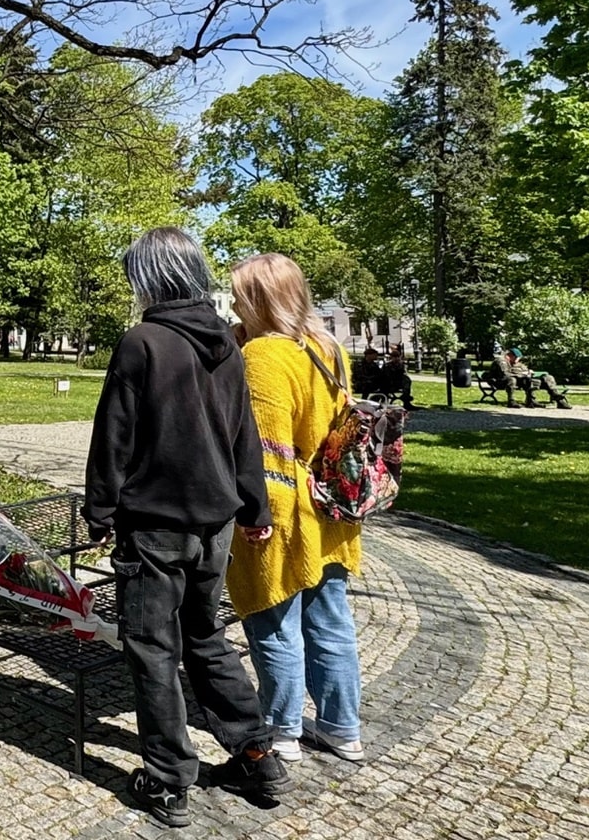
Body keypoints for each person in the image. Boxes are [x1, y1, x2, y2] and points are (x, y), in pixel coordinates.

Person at [84, 227, 289, 828]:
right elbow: (243, 436)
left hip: (155, 524)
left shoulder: (142, 342)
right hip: (215, 523)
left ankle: (169, 779)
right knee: (205, 637)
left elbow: (113, 437)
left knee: (152, 647)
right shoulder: (227, 345)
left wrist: (100, 510)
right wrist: (254, 509)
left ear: (150, 279)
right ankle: (256, 753)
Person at [226, 253, 366, 766]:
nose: (234, 304)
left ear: (259, 300)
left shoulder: (265, 355)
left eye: (240, 295)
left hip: (285, 513)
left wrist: (256, 516)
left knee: (274, 623)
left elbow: (267, 452)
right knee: (331, 622)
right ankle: (342, 728)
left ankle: (282, 730)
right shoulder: (329, 349)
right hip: (331, 508)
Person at [503, 347, 571, 409]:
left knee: (548, 377)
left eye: (518, 358)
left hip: (528, 380)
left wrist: (530, 372)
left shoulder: (520, 365)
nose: (517, 359)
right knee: (527, 380)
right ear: (510, 356)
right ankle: (529, 401)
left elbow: (527, 371)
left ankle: (558, 399)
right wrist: (523, 374)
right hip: (517, 381)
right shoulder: (505, 363)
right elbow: (507, 374)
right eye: (515, 357)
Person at [382, 343, 416, 409]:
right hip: (389, 384)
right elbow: (385, 375)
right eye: (394, 357)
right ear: (391, 357)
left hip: (400, 383)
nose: (396, 358)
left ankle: (406, 399)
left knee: (407, 380)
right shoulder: (387, 365)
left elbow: (404, 374)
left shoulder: (402, 365)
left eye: (397, 356)